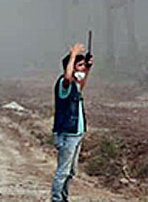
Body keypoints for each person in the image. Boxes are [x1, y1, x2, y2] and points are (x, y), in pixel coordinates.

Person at [51, 42, 93, 202]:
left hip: (76, 134)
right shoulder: (64, 83)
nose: (82, 68)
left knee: (71, 171)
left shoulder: (75, 86)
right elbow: (68, 76)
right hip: (67, 135)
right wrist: (73, 54)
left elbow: (81, 84)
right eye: (79, 65)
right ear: (71, 66)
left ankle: (63, 198)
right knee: (63, 171)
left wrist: (88, 68)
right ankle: (56, 199)